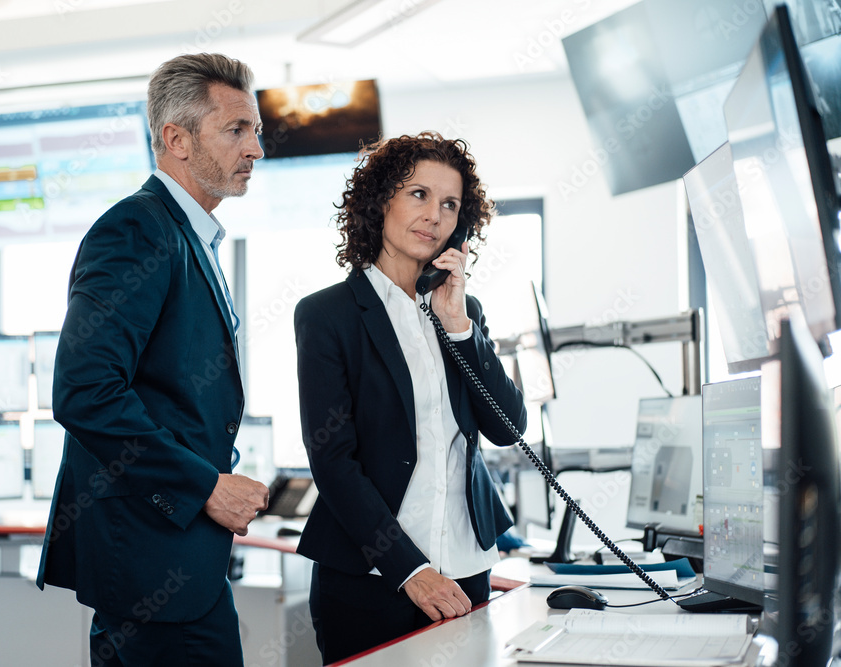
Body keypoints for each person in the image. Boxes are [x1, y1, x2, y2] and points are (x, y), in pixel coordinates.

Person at [37, 53, 269, 667]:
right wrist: (206, 487)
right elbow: (85, 391)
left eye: (257, 131)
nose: (256, 149)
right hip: (150, 561)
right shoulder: (136, 231)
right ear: (176, 140)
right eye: (237, 130)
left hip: (179, 556)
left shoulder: (190, 237)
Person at [293, 132, 528, 663]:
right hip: (372, 577)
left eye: (450, 204)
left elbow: (509, 429)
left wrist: (459, 324)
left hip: (467, 568)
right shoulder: (328, 315)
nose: (435, 216)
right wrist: (410, 571)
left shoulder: (463, 312)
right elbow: (332, 462)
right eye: (418, 194)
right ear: (381, 202)